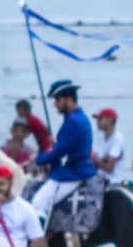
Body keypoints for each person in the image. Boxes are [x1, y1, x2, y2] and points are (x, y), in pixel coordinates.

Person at [30, 80, 96, 220]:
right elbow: (68, 144)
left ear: (69, 99)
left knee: (37, 204)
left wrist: (37, 159)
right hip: (78, 168)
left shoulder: (73, 122)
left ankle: (40, 234)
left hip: (74, 172)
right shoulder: (78, 117)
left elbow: (58, 152)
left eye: (58, 99)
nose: (55, 103)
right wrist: (58, 142)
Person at [91, 107, 126, 184]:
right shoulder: (98, 136)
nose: (97, 121)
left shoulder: (118, 138)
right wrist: (100, 160)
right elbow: (94, 161)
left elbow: (109, 168)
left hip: (113, 181)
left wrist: (97, 160)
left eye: (100, 119)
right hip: (98, 179)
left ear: (110, 120)